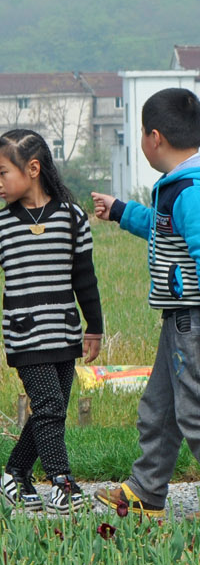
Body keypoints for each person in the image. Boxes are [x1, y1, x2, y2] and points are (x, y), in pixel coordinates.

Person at [91, 87, 200, 521]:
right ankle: (146, 489)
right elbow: (165, 231)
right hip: (183, 317)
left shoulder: (193, 191)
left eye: (141, 132)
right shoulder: (181, 187)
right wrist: (122, 211)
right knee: (159, 406)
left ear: (153, 137)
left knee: (198, 406)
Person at [0, 130, 103, 513]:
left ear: (33, 168)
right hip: (25, 334)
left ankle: (15, 472)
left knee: (53, 408)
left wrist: (94, 327)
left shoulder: (72, 217)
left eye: (2, 173)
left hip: (64, 329)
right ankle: (63, 482)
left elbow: (85, 277)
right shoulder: (3, 225)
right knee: (47, 404)